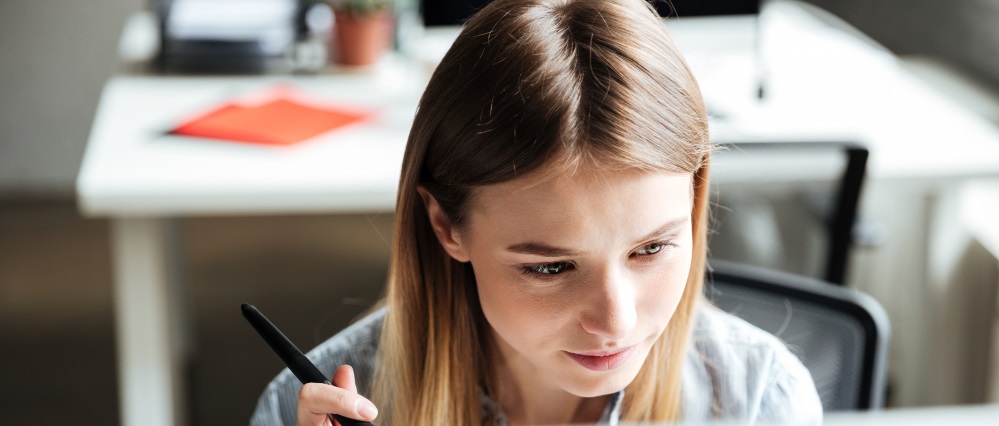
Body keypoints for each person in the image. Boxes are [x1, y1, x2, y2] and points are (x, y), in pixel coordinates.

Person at [251, 0, 822, 424]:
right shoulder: (302, 408)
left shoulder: (761, 402)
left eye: (651, 249)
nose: (615, 323)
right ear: (446, 226)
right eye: (550, 268)